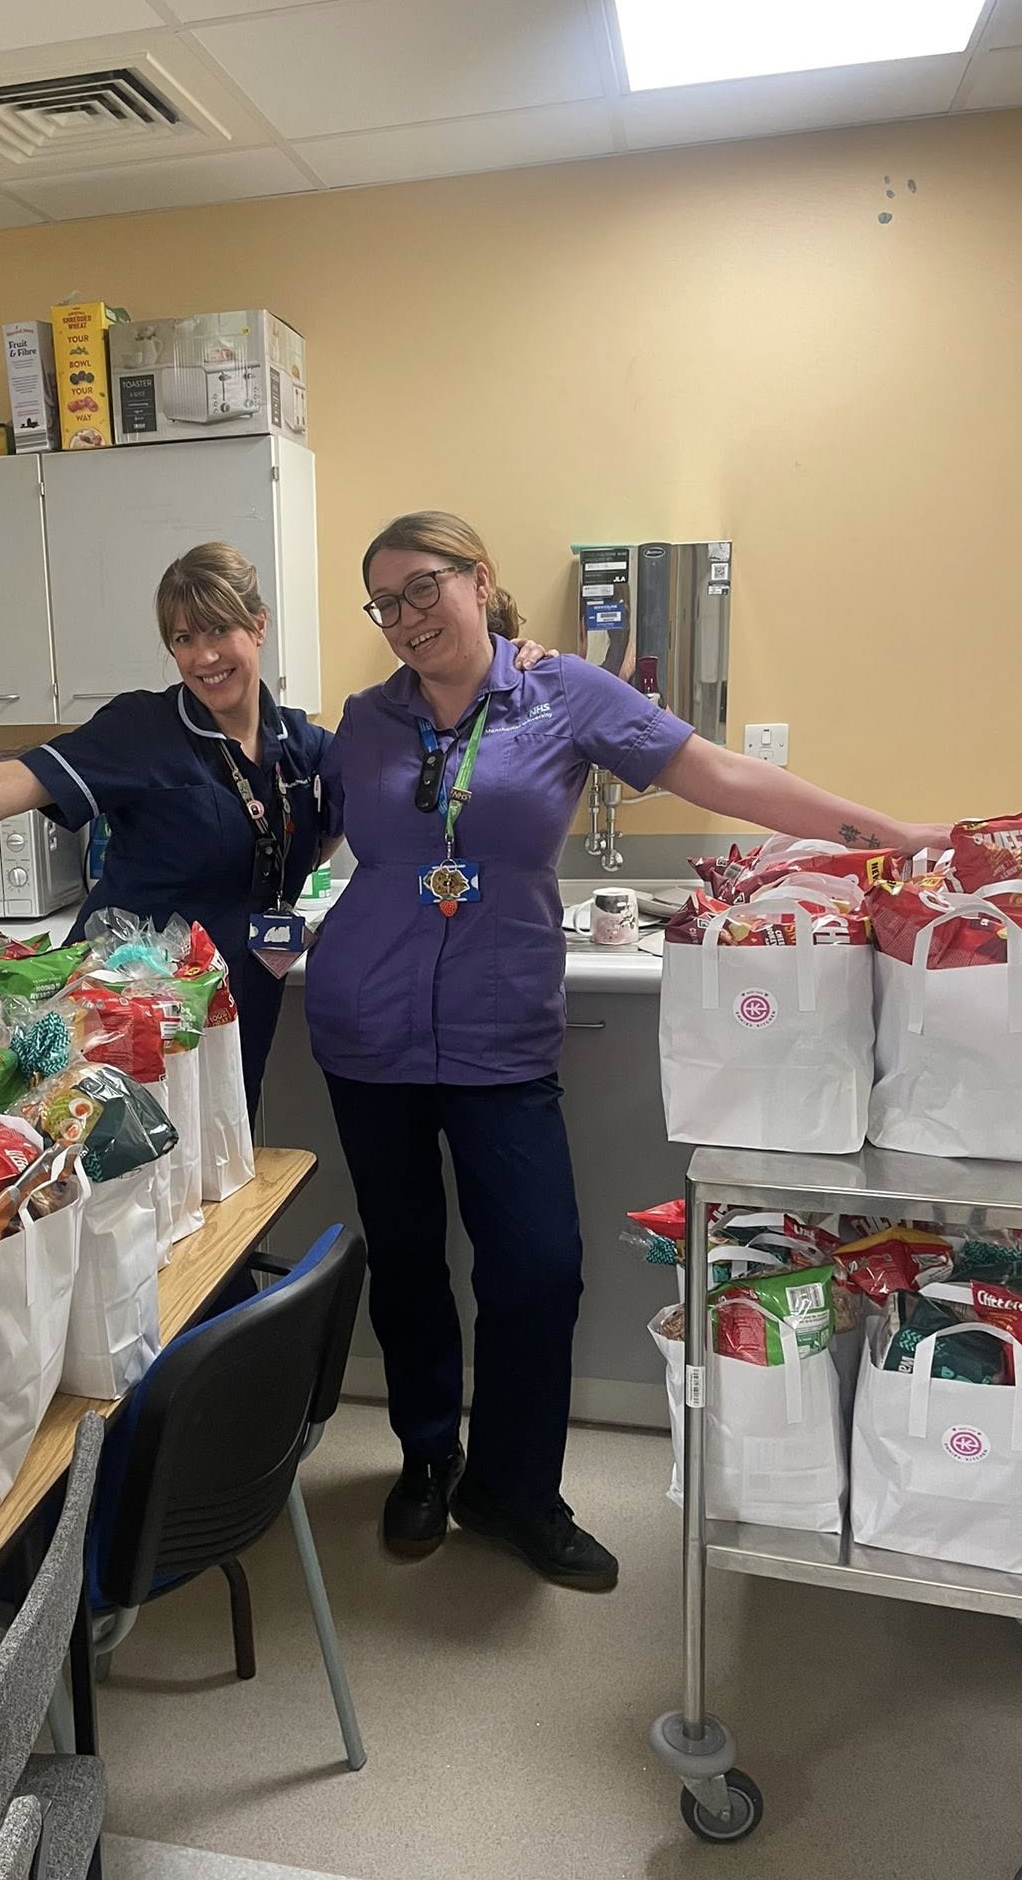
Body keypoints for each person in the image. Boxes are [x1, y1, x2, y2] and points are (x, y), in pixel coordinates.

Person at [305, 510, 949, 1589]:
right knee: (409, 1257)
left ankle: (512, 1489)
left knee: (538, 1268)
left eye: (424, 587)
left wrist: (888, 834)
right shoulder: (365, 721)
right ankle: (425, 1453)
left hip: (499, 1034)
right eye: (386, 601)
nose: (408, 616)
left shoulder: (563, 694)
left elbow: (722, 775)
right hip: (366, 1029)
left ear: (478, 578)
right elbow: (310, 831)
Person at [0, 541, 544, 1111]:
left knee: (220, 1182)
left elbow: (354, 809)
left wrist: (516, 672)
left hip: (234, 999)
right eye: (181, 637)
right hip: (124, 1012)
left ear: (257, 626)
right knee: (130, 1200)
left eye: (219, 628)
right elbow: (3, 782)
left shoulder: (304, 741)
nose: (202, 655)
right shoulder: (145, 731)